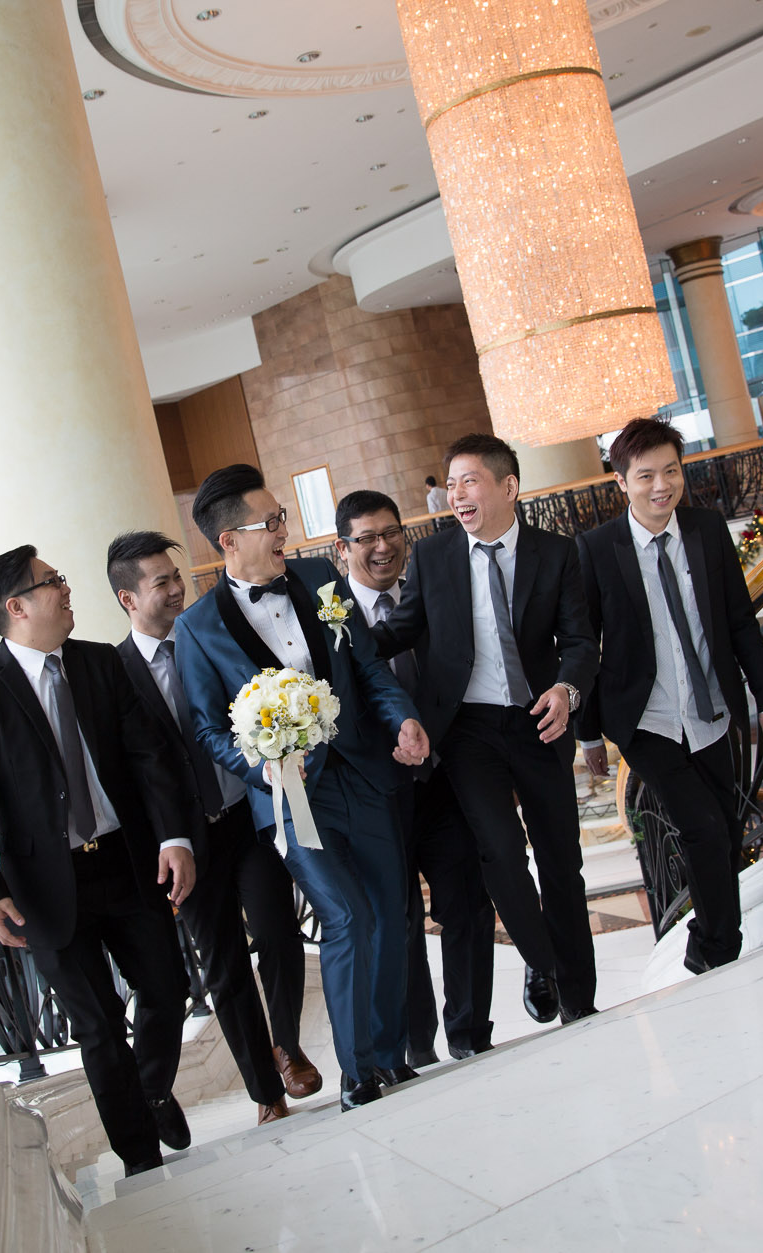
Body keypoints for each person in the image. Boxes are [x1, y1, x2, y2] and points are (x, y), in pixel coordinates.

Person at [173, 464, 431, 1110]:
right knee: (346, 916)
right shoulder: (198, 627)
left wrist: (402, 718)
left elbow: (367, 668)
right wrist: (257, 765)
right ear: (229, 540)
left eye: (282, 517)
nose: (284, 530)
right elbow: (206, 729)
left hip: (364, 773)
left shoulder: (320, 579)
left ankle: (389, 1053)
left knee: (391, 913)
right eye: (271, 522)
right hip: (290, 799)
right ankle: (357, 1071)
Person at [0, 545, 198, 1176]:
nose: (65, 587)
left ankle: (151, 1092)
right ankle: (141, 1159)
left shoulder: (101, 663)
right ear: (17, 607)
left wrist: (174, 837)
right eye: (51, 581)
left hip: (127, 863)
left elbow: (149, 758)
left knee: (169, 989)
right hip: (45, 887)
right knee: (98, 1026)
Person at [372, 434, 601, 1026]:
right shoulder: (434, 556)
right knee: (499, 850)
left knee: (561, 858)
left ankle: (579, 997)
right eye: (450, 484)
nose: (456, 495)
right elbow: (398, 630)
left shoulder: (557, 553)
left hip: (539, 719)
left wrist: (567, 690)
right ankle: (543, 961)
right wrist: (332, 650)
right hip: (468, 728)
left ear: (508, 487)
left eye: (468, 481)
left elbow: (580, 642)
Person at [106, 530, 319, 1120]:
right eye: (162, 583)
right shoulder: (114, 673)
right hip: (186, 845)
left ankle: (288, 1046)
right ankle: (266, 1093)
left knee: (279, 931)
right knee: (224, 967)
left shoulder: (209, 634)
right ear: (128, 599)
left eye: (177, 577)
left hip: (245, 818)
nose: (178, 589)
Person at [578, 417, 763, 974]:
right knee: (702, 826)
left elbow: (739, 622)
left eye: (671, 471)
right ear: (621, 481)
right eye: (646, 475)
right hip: (645, 719)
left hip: (710, 709)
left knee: (725, 827)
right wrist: (588, 731)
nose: (661, 486)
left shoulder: (706, 529)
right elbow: (584, 644)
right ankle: (718, 951)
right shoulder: (597, 548)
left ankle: (705, 941)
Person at [334, 490, 495, 1064]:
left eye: (391, 533)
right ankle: (415, 1047)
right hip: (375, 795)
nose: (383, 547)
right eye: (366, 538)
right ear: (342, 549)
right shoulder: (330, 619)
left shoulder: (434, 593)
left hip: (443, 779)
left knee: (467, 904)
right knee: (396, 922)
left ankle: (469, 1033)